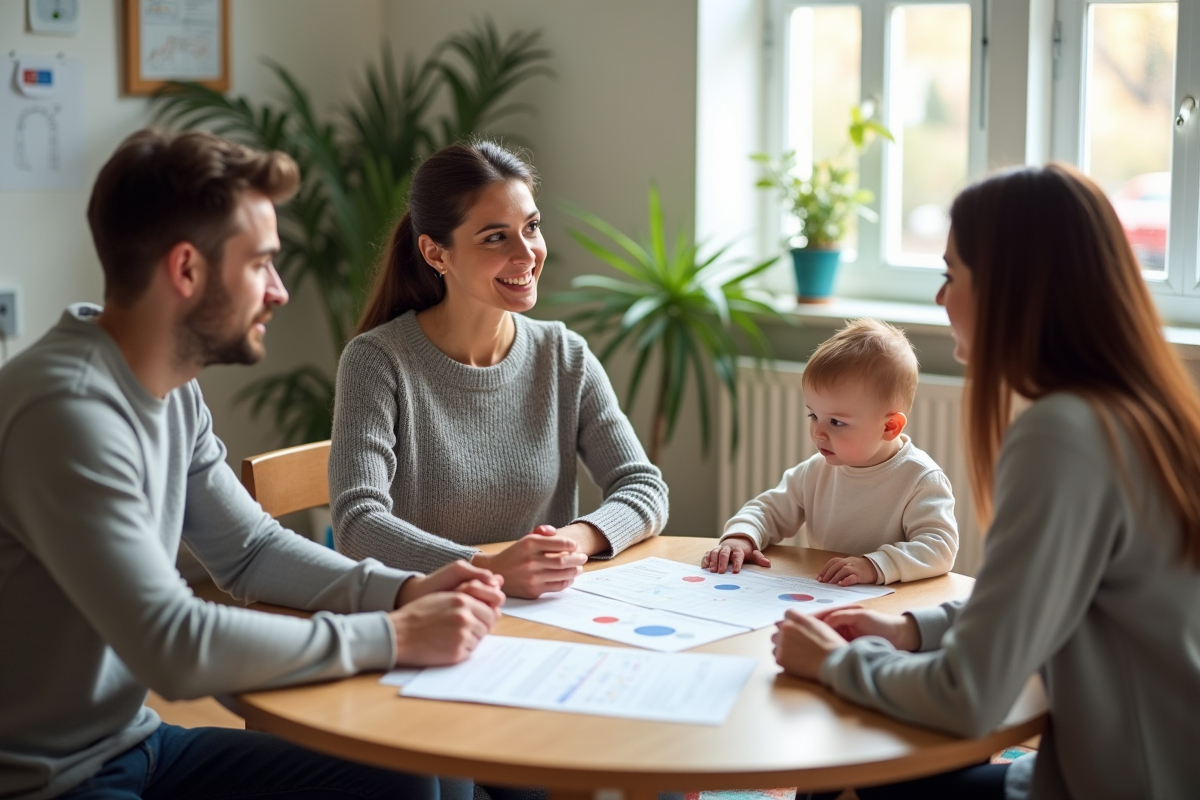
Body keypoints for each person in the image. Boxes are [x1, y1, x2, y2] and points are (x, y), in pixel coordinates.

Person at [0, 129, 506, 800]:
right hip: (45, 783)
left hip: (133, 743)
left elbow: (249, 550)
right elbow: (173, 646)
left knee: (408, 774)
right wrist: (390, 634)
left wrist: (406, 590)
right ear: (186, 270)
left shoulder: (168, 386)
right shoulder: (66, 413)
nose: (280, 291)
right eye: (261, 263)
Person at [773, 164, 1200, 799]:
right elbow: (1040, 595)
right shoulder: (1143, 411)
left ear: (1012, 287)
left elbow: (967, 696)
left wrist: (835, 661)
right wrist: (911, 629)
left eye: (951, 274)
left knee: (855, 761)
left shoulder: (1064, 435)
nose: (941, 298)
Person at [328, 140, 669, 600]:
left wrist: (573, 542)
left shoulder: (564, 355)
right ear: (435, 254)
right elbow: (357, 524)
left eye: (531, 227)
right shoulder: (378, 361)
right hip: (433, 616)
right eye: (495, 237)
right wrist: (488, 568)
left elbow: (643, 485)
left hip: (541, 615)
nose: (527, 254)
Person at [702, 319, 958, 586]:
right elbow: (768, 510)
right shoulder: (816, 470)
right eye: (813, 415)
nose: (818, 433)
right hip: (830, 597)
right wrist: (741, 537)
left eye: (836, 422)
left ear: (890, 426)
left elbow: (940, 547)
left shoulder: (920, 478)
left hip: (892, 608)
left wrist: (874, 565)